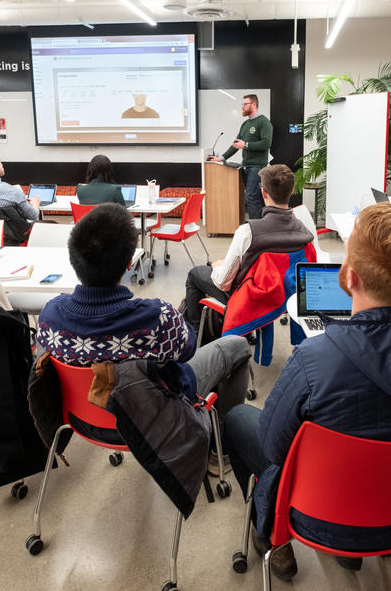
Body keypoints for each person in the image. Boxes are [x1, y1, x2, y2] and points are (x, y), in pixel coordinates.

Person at [219, 203, 391, 579]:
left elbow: (275, 448)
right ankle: (345, 553)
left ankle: (270, 535)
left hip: (318, 517)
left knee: (239, 418)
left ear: (349, 277)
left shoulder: (315, 358)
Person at [36, 203, 252, 450]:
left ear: (73, 258)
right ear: (130, 263)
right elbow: (189, 349)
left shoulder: (49, 315)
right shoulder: (156, 317)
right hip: (154, 420)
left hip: (84, 421)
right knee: (237, 346)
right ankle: (219, 448)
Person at [182, 164, 314, 331]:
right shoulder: (303, 230)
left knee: (195, 274)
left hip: (251, 298)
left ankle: (194, 332)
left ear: (263, 192)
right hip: (285, 295)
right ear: (291, 190)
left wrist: (217, 268)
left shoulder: (247, 232)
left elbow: (223, 283)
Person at [207, 93, 272, 219]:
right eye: (242, 104)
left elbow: (266, 143)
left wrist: (246, 145)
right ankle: (260, 226)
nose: (242, 107)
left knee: (251, 197)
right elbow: (236, 144)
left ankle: (255, 230)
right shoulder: (245, 124)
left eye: (245, 104)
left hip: (258, 167)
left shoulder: (263, 122)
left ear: (253, 104)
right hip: (246, 167)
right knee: (256, 198)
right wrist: (222, 158)